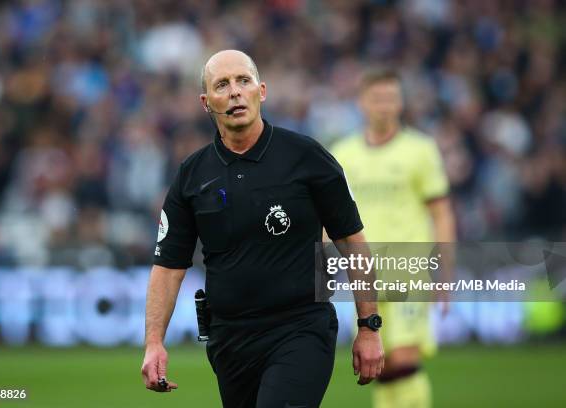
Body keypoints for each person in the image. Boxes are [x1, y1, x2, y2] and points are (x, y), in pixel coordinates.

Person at [141, 50, 384, 408]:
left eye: (244, 80)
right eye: (222, 85)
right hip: (229, 341)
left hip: (300, 329)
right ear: (207, 103)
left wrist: (369, 326)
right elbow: (168, 266)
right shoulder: (191, 176)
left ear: (262, 91)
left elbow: (352, 242)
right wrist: (154, 342)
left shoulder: (308, 158)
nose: (235, 92)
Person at [331, 68, 456, 408]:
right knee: (378, 363)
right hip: (365, 275)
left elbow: (441, 212)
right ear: (362, 103)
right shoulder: (343, 154)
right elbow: (330, 221)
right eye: (377, 98)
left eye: (390, 98)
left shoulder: (420, 149)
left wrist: (444, 272)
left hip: (409, 268)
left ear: (401, 103)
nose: (384, 106)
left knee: (403, 360)